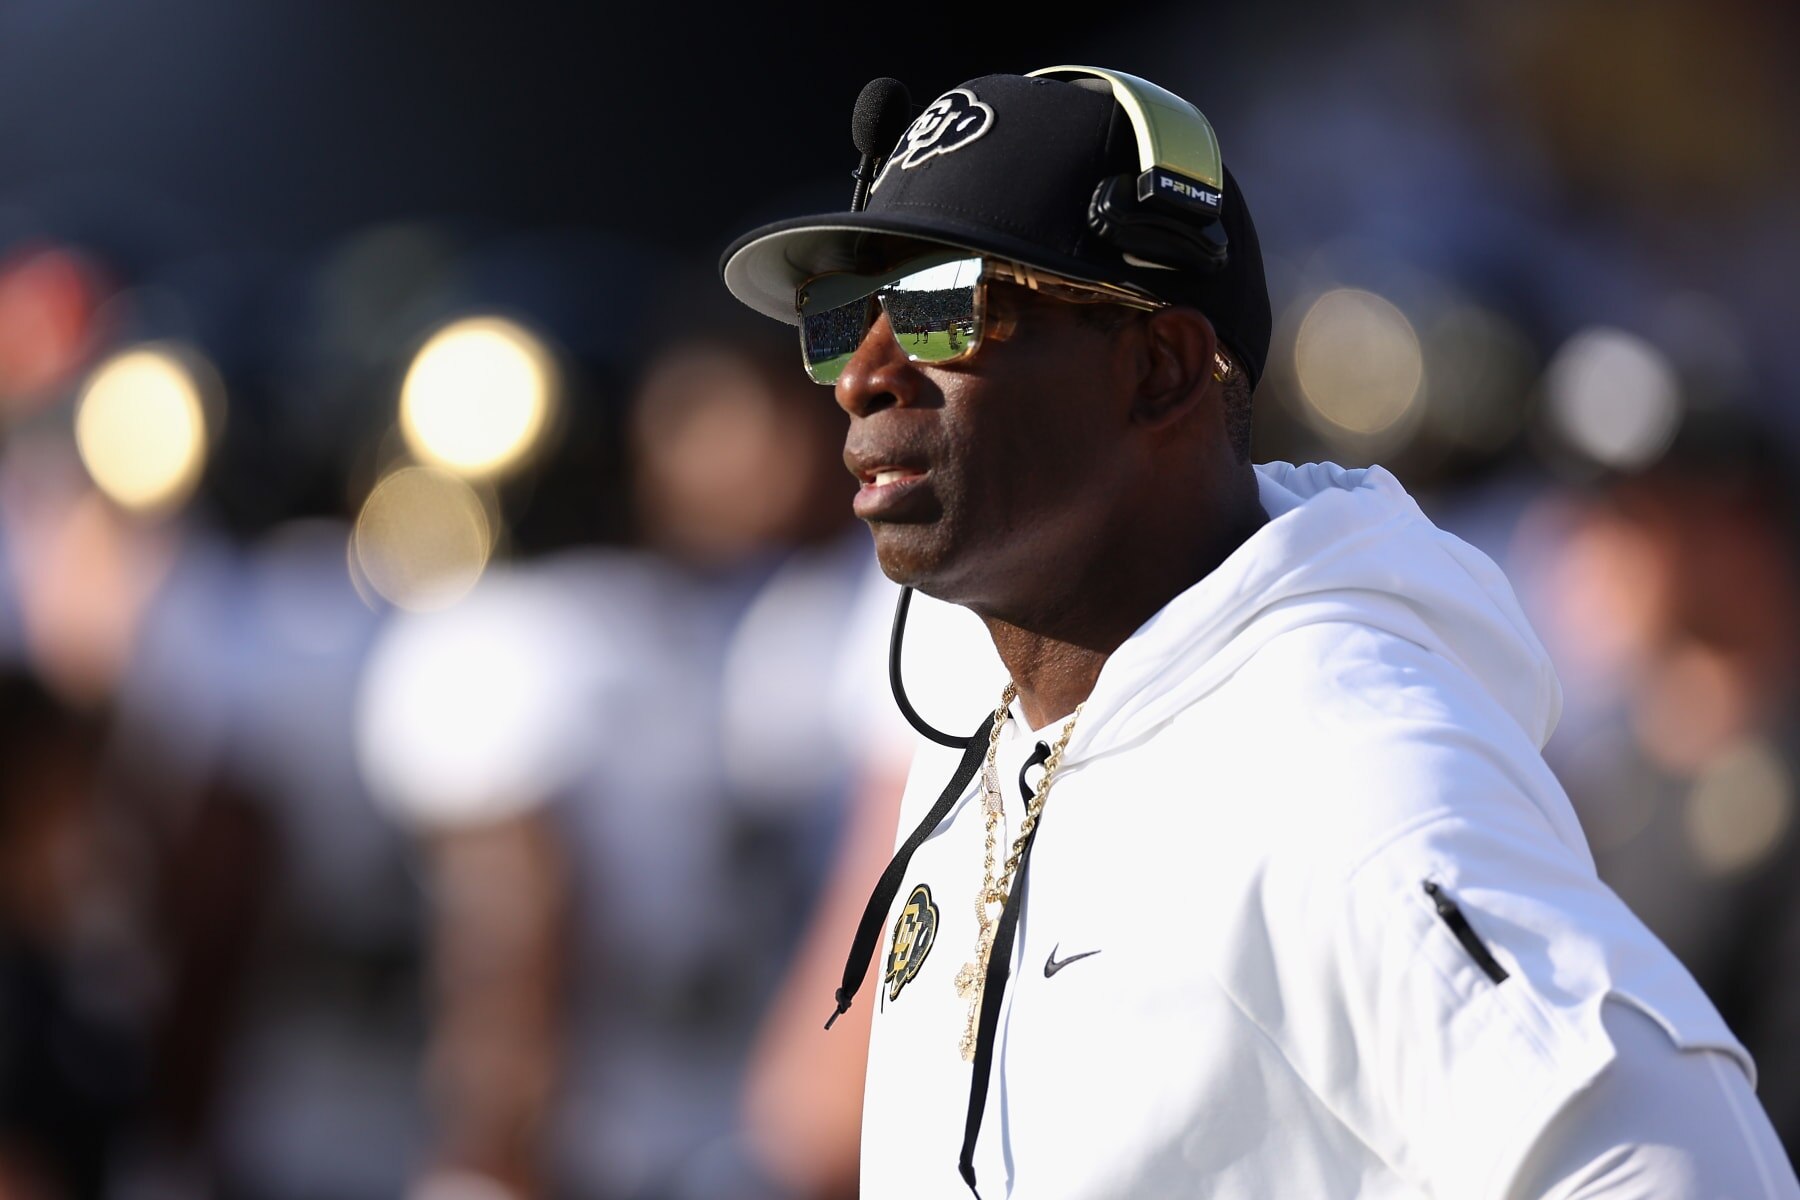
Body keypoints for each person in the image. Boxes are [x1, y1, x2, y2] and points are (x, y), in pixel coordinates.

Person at [717, 68, 1800, 1198]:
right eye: (844, 322)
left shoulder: (1336, 763)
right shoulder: (999, 744)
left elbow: (1677, 1166)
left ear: (1160, 367)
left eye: (941, 303)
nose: (865, 377)